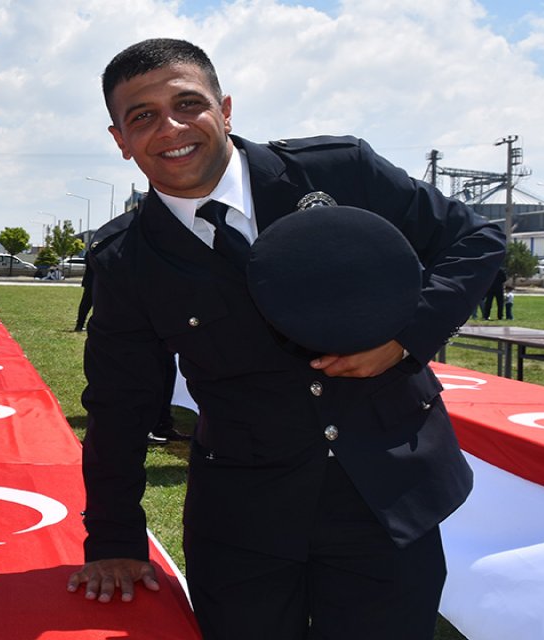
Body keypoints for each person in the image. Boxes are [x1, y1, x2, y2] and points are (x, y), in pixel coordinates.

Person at [66, 38, 505, 640]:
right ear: (120, 140)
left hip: (385, 498)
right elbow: (119, 405)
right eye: (141, 116)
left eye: (188, 104)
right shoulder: (127, 260)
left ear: (224, 109)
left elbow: (475, 241)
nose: (170, 127)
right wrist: (114, 537)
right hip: (245, 519)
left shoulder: (338, 170)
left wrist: (405, 339)